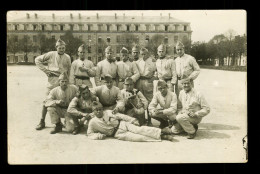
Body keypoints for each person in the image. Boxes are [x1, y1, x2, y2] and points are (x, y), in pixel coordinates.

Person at [87, 101, 174, 142]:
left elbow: (122, 116)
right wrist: (98, 136)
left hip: (123, 125)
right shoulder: (92, 122)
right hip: (117, 134)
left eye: (100, 109)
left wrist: (132, 120)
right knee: (138, 138)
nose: (98, 111)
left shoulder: (108, 112)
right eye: (96, 110)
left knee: (140, 130)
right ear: (93, 111)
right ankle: (163, 137)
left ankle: (162, 131)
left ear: (102, 109)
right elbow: (89, 134)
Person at [35, 39, 71, 130]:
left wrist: (68, 82)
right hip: (52, 81)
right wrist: (46, 71)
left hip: (62, 82)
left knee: (60, 101)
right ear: (56, 48)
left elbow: (69, 71)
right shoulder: (51, 54)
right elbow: (37, 60)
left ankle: (58, 123)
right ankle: (42, 121)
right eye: (60, 48)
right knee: (47, 101)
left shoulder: (67, 57)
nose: (62, 50)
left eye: (63, 48)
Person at [135, 47, 157, 126]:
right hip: (139, 81)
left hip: (148, 81)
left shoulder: (152, 61)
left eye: (145, 54)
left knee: (149, 100)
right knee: (140, 100)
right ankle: (142, 119)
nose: (143, 56)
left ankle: (150, 120)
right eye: (142, 54)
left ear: (148, 54)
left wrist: (153, 78)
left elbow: (156, 71)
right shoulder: (137, 62)